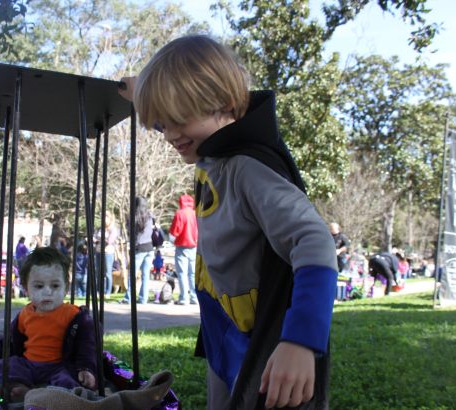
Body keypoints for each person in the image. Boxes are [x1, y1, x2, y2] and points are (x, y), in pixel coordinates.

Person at [119, 35, 338, 409]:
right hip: (224, 331)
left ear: (222, 102)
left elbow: (315, 241)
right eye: (160, 123)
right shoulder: (212, 151)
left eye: (178, 120)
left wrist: (301, 341)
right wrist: (145, 91)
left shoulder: (246, 167)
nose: (169, 135)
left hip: (264, 352)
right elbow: (179, 108)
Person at [0, 246, 96, 402]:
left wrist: (86, 368)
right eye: (39, 286)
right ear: (26, 289)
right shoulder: (24, 314)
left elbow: (87, 346)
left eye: (55, 286)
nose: (47, 292)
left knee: (68, 380)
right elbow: (14, 340)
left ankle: (62, 397)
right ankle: (20, 389)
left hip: (60, 366)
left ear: (66, 288)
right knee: (5, 366)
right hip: (29, 364)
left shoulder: (75, 316)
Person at [120, 196, 155, 304]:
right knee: (145, 275)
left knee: (133, 274)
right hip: (149, 247)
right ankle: (143, 298)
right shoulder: (150, 216)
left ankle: (129, 298)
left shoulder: (133, 217)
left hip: (139, 248)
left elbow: (130, 231)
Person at [169, 194, 198, 305]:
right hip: (194, 246)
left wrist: (173, 242)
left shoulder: (180, 214)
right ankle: (194, 297)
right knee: (192, 274)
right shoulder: (195, 214)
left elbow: (174, 232)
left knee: (182, 273)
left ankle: (184, 298)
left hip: (182, 246)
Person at [94, 212, 119, 296]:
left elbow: (109, 241)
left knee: (108, 273)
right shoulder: (100, 228)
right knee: (98, 272)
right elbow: (94, 237)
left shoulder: (113, 229)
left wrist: (99, 240)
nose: (103, 220)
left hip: (108, 253)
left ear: (109, 219)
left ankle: (107, 292)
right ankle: (99, 291)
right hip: (98, 251)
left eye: (105, 218)